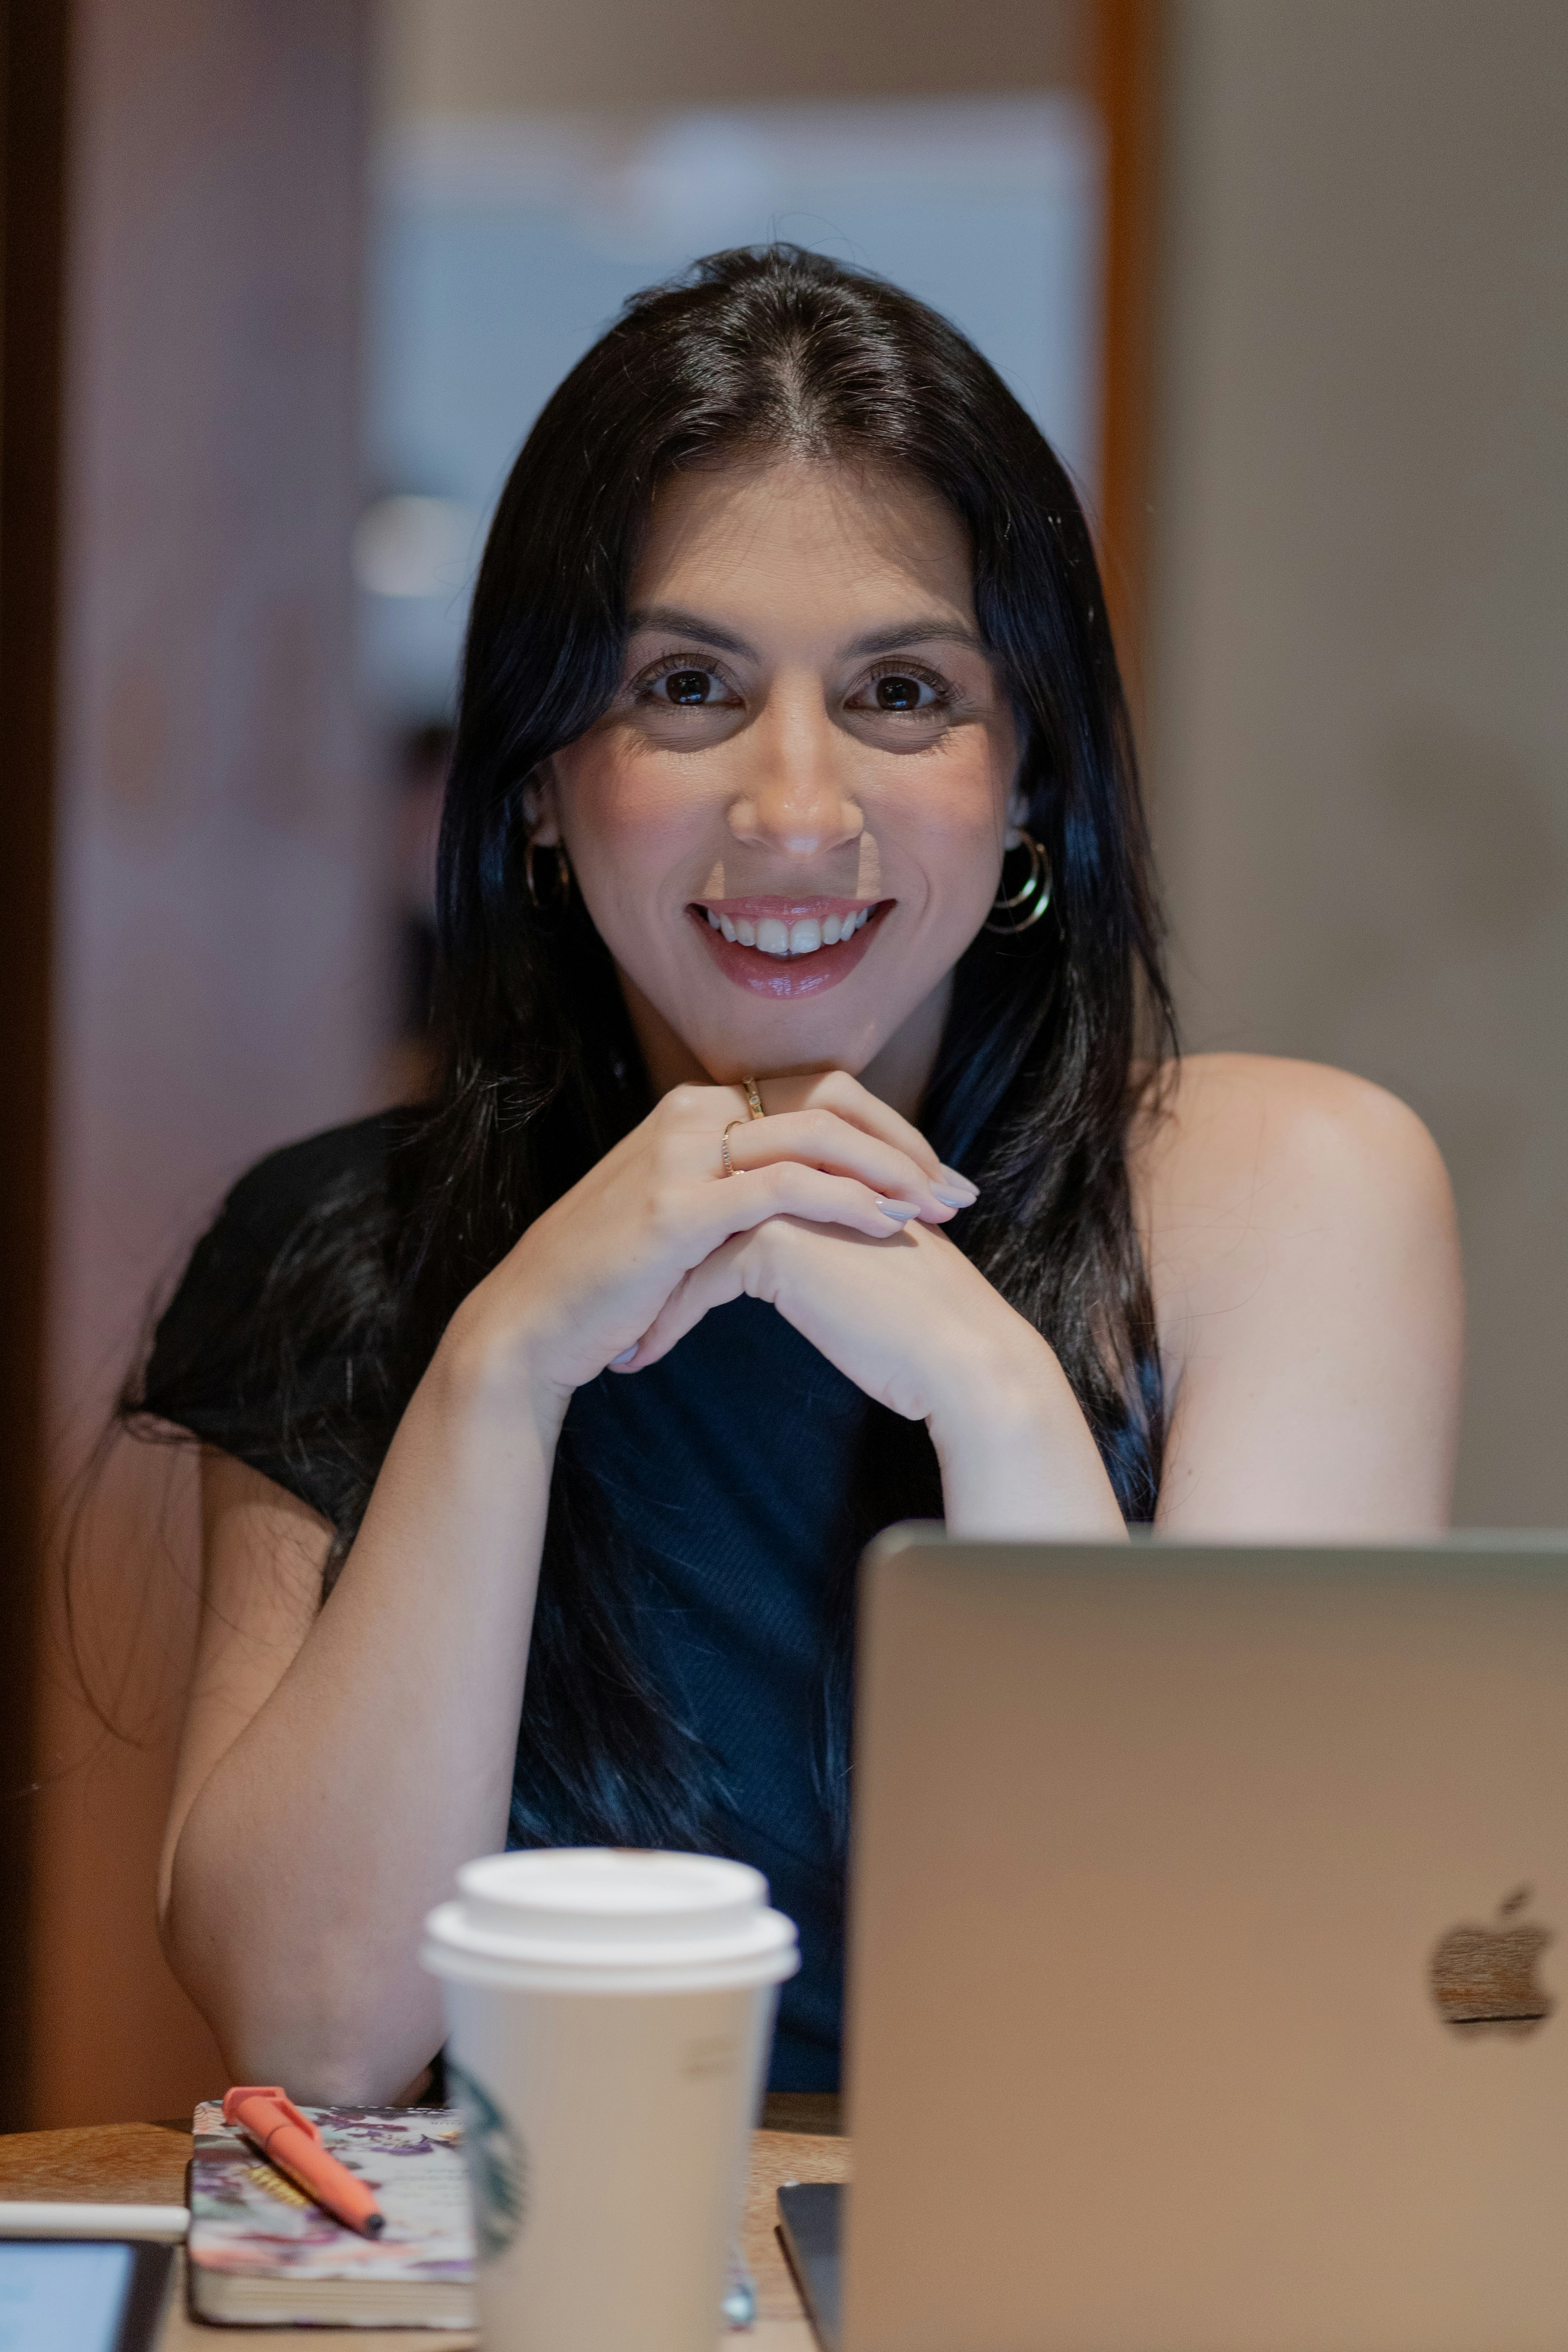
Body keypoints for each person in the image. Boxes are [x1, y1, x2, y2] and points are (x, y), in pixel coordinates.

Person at [126, 247, 1461, 2106]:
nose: (793, 812)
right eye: (684, 684)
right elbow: (317, 2030)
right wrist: (501, 1367)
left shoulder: (1278, 1195)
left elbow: (1214, 2027)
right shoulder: (345, 1244)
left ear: (1023, 785)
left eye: (901, 692)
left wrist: (990, 1388)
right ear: (532, 781)